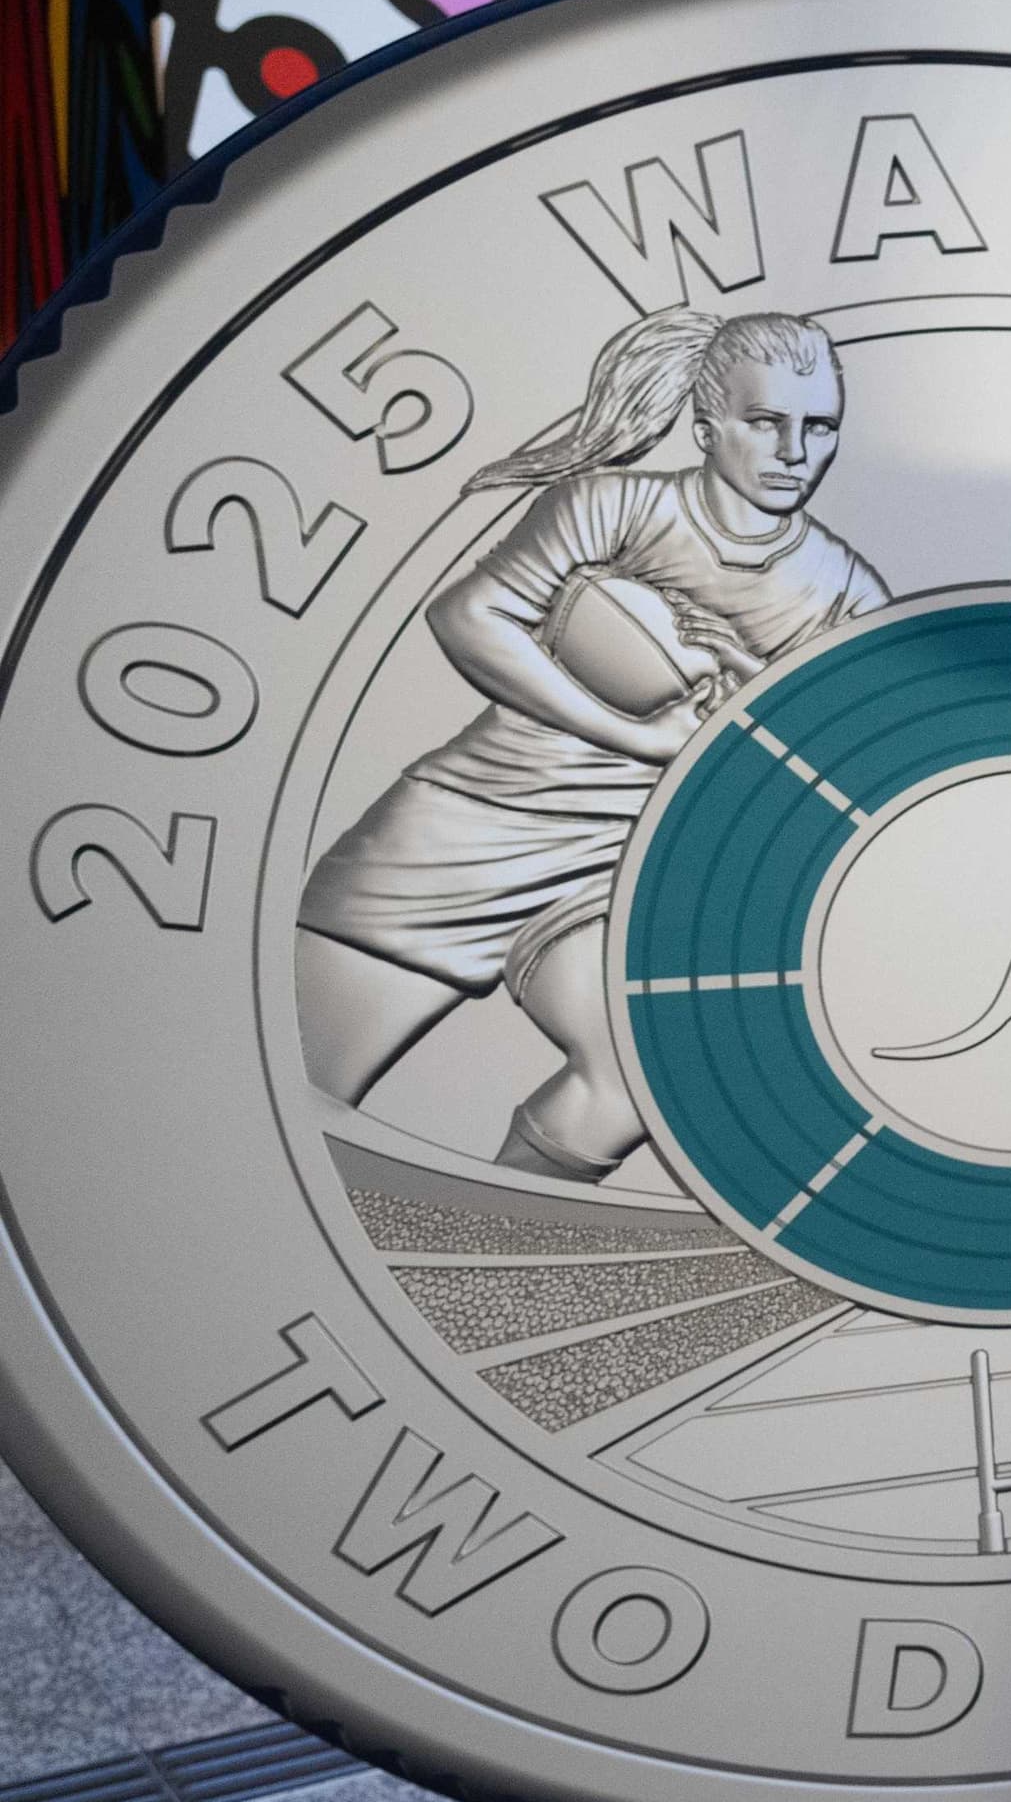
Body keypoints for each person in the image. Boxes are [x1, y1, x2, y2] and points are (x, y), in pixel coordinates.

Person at [293, 308, 884, 1178]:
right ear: (706, 425)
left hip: (623, 868)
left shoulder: (846, 592)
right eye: (766, 421)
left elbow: (836, 772)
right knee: (285, 1099)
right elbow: (467, 615)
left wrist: (743, 687)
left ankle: (489, 1247)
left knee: (642, 1070)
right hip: (467, 827)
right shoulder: (614, 505)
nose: (796, 451)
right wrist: (637, 736)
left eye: (820, 426)